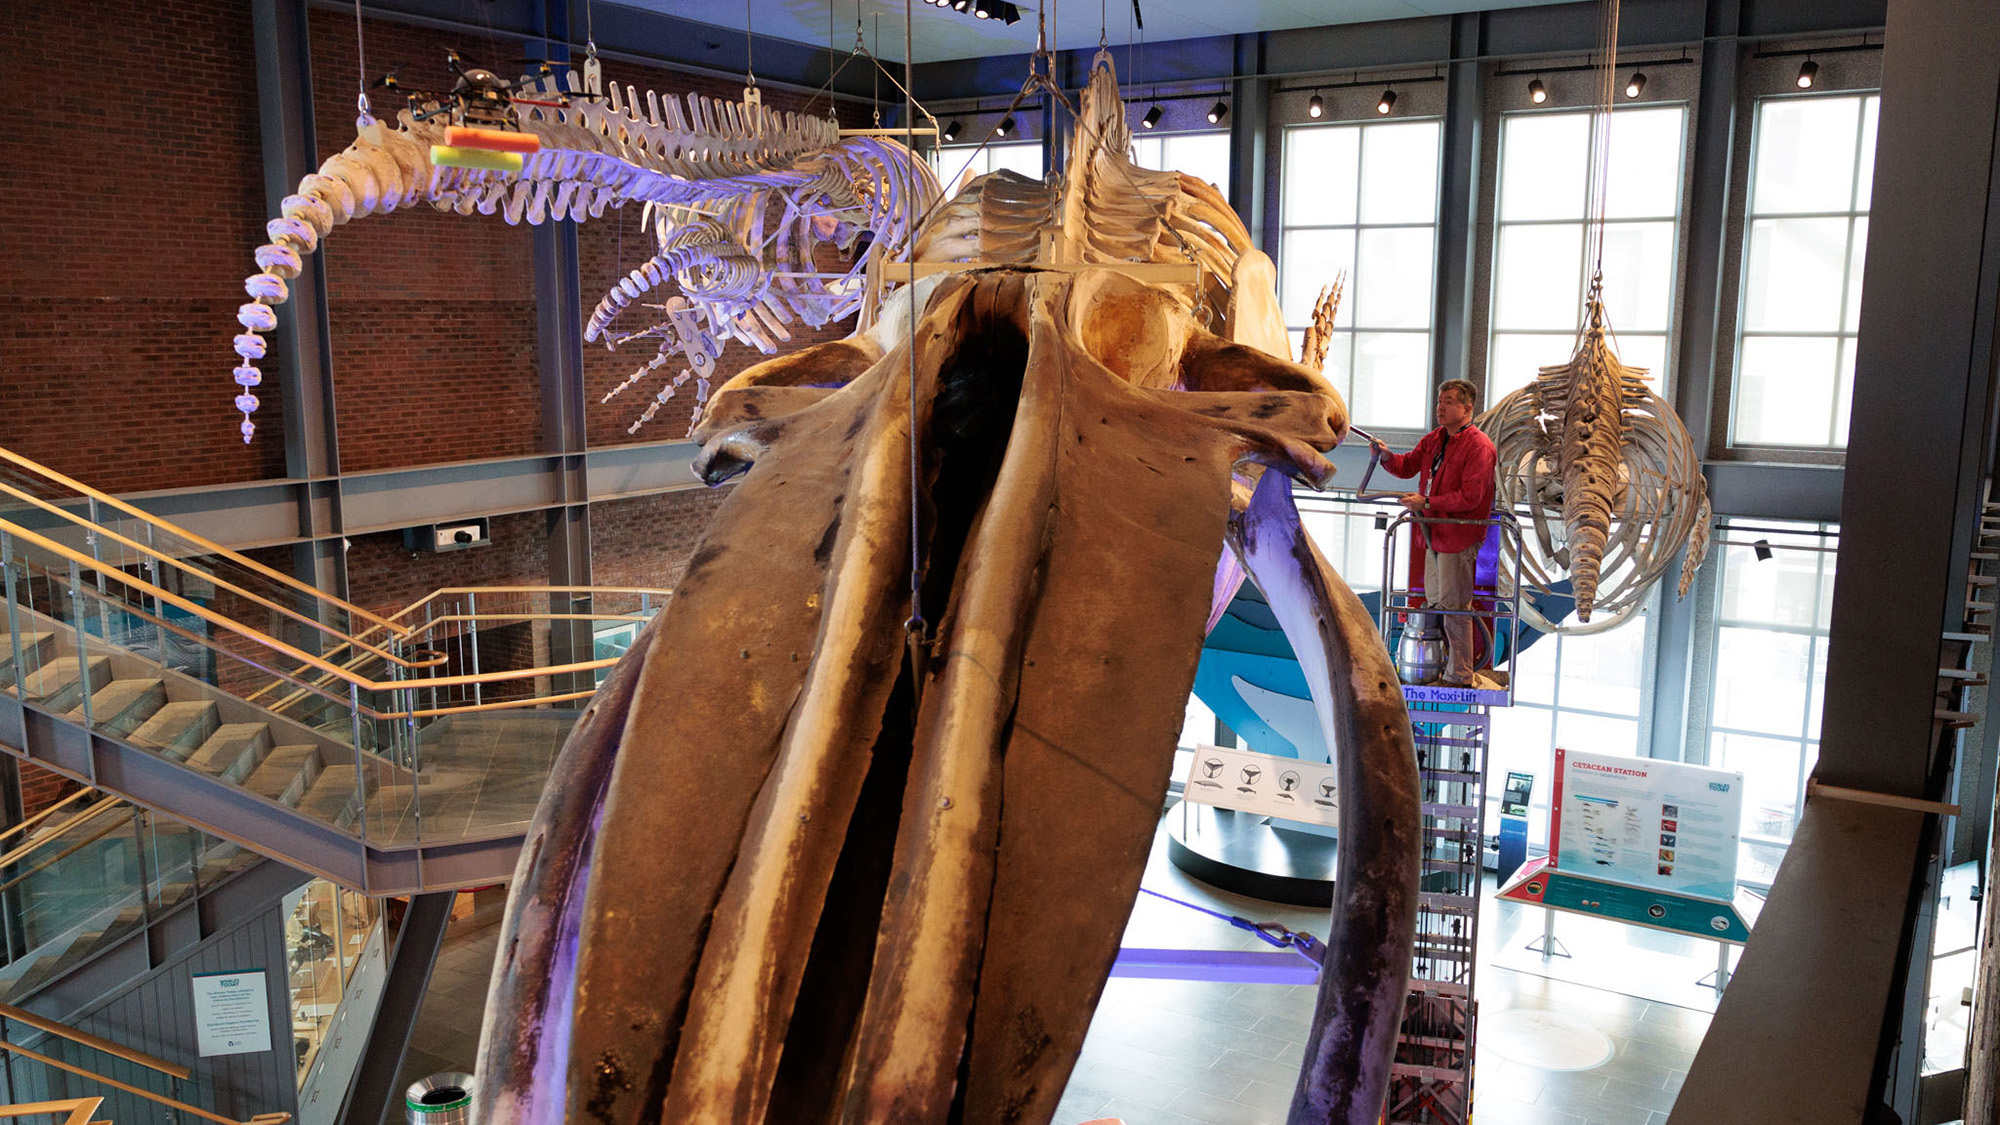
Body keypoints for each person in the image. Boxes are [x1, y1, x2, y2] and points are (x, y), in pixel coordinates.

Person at [1370, 379, 1498, 687]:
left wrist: (1427, 501)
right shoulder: (1435, 439)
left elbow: (1472, 497)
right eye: (1440, 401)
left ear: (1468, 408)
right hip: (1432, 536)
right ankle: (1443, 667)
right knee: (1438, 602)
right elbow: (1408, 466)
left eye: (1449, 401)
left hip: (1457, 537)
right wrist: (1386, 456)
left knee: (1454, 607)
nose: (1440, 407)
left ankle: (1460, 674)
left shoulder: (1479, 447)